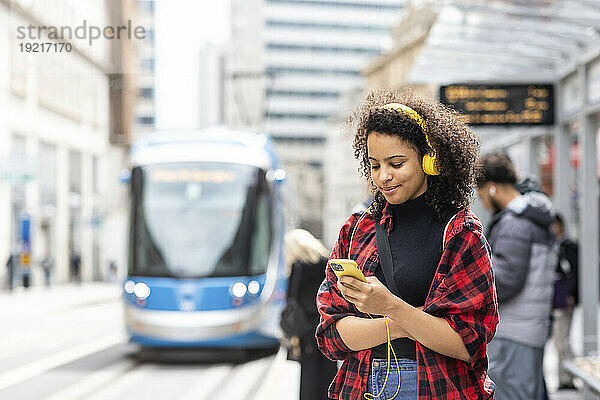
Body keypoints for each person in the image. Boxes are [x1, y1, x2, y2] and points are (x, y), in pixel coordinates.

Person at [316, 88, 498, 400]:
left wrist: (389, 307)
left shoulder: (460, 233)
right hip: (363, 386)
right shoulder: (356, 230)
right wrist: (406, 321)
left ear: (430, 161)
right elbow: (332, 336)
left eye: (396, 163)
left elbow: (468, 343)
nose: (383, 177)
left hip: (435, 388)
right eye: (374, 165)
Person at [477, 153, 557, 400]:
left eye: (481, 196)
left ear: (492, 188)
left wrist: (475, 268)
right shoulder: (532, 217)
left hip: (513, 330)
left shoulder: (514, 224)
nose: (483, 203)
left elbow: (507, 278)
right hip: (529, 327)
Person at [284, 229, 337, 400]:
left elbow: (292, 300)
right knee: (329, 370)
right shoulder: (326, 262)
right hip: (327, 323)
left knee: (309, 373)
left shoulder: (298, 267)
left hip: (307, 327)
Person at [551, 213, 578, 390]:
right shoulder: (555, 245)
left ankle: (569, 376)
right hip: (557, 299)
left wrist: (571, 295)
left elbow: (573, 272)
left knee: (561, 340)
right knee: (559, 340)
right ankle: (567, 375)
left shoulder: (568, 246)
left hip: (565, 300)